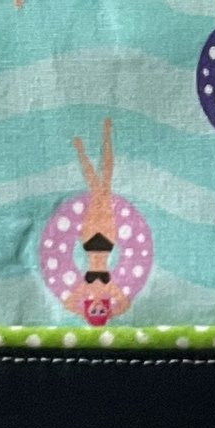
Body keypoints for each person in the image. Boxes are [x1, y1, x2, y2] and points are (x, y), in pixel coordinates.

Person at [60, 123, 134, 328]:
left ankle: (83, 149)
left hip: (89, 239)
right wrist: (113, 311)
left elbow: (68, 303)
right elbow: (125, 304)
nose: (98, 307)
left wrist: (81, 309)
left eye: (94, 311)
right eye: (101, 311)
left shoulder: (85, 288)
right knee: (104, 185)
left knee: (96, 188)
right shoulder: (109, 288)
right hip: (108, 239)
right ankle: (103, 136)